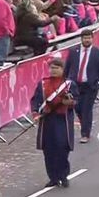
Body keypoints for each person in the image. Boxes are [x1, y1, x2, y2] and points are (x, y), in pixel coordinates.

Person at [31, 58, 78, 188]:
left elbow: (76, 100)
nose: (53, 70)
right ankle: (53, 177)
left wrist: (70, 102)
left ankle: (63, 175)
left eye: (56, 68)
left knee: (62, 147)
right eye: (52, 68)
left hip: (62, 120)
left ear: (62, 69)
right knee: (48, 149)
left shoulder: (69, 84)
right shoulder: (43, 84)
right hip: (47, 120)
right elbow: (36, 100)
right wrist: (35, 113)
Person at [65, 29, 99, 143]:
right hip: (75, 85)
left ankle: (85, 133)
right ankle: (85, 124)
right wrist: (66, 82)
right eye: (85, 38)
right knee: (78, 108)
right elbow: (67, 67)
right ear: (81, 39)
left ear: (92, 39)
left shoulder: (98, 53)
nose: (87, 40)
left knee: (86, 110)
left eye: (89, 38)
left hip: (90, 86)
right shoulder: (73, 51)